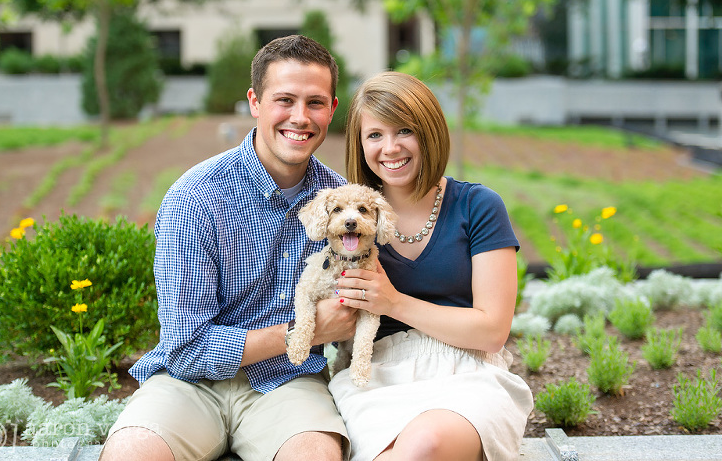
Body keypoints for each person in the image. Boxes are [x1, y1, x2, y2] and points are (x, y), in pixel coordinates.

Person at [100, 35, 355, 461]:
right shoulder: (195, 198)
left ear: (331, 109)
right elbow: (185, 346)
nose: (300, 117)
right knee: (131, 454)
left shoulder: (341, 202)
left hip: (287, 384)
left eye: (314, 102)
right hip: (187, 384)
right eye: (285, 100)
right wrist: (305, 330)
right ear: (255, 102)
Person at [330, 71, 534, 461]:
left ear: (429, 132)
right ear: (359, 144)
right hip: (376, 375)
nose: (389, 148)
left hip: (469, 372)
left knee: (424, 446)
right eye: (374, 135)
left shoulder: (477, 206)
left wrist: (393, 302)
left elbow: (492, 331)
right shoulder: (349, 217)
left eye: (404, 131)